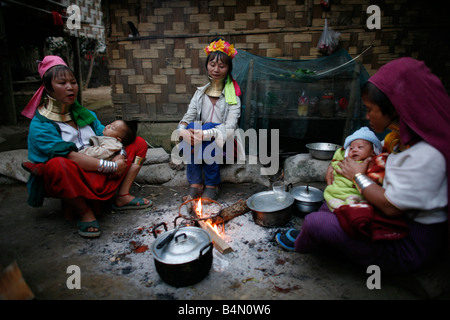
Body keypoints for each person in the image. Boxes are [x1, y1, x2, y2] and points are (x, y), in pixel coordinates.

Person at [276, 57, 449, 274]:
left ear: (394, 108)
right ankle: (325, 238)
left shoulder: (426, 155)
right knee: (328, 201)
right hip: (391, 220)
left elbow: (390, 207)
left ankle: (310, 242)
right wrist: (334, 163)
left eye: (370, 109)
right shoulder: (398, 140)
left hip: (404, 241)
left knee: (315, 223)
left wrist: (358, 177)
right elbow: (366, 161)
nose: (367, 117)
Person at [21, 55, 151, 238]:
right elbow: (70, 157)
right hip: (75, 173)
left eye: (73, 82)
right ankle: (84, 212)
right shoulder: (40, 125)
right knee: (57, 164)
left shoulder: (85, 114)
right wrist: (112, 166)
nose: (70, 87)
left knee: (138, 143)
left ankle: (122, 196)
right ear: (48, 88)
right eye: (62, 83)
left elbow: (108, 136)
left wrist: (120, 154)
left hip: (102, 167)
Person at [176, 37, 245, 201]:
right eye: (212, 64)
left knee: (206, 128)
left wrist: (205, 134)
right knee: (192, 125)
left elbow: (229, 128)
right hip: (200, 142)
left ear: (228, 69)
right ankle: (196, 184)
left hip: (225, 144)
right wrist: (182, 131)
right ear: (207, 66)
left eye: (222, 66)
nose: (216, 69)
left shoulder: (233, 97)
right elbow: (187, 118)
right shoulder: (199, 93)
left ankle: (212, 185)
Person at [324, 126, 383, 212]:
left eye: (360, 147)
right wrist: (333, 164)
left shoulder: (372, 163)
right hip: (337, 193)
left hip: (356, 196)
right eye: (351, 148)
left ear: (372, 151)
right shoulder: (346, 160)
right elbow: (339, 154)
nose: (354, 150)